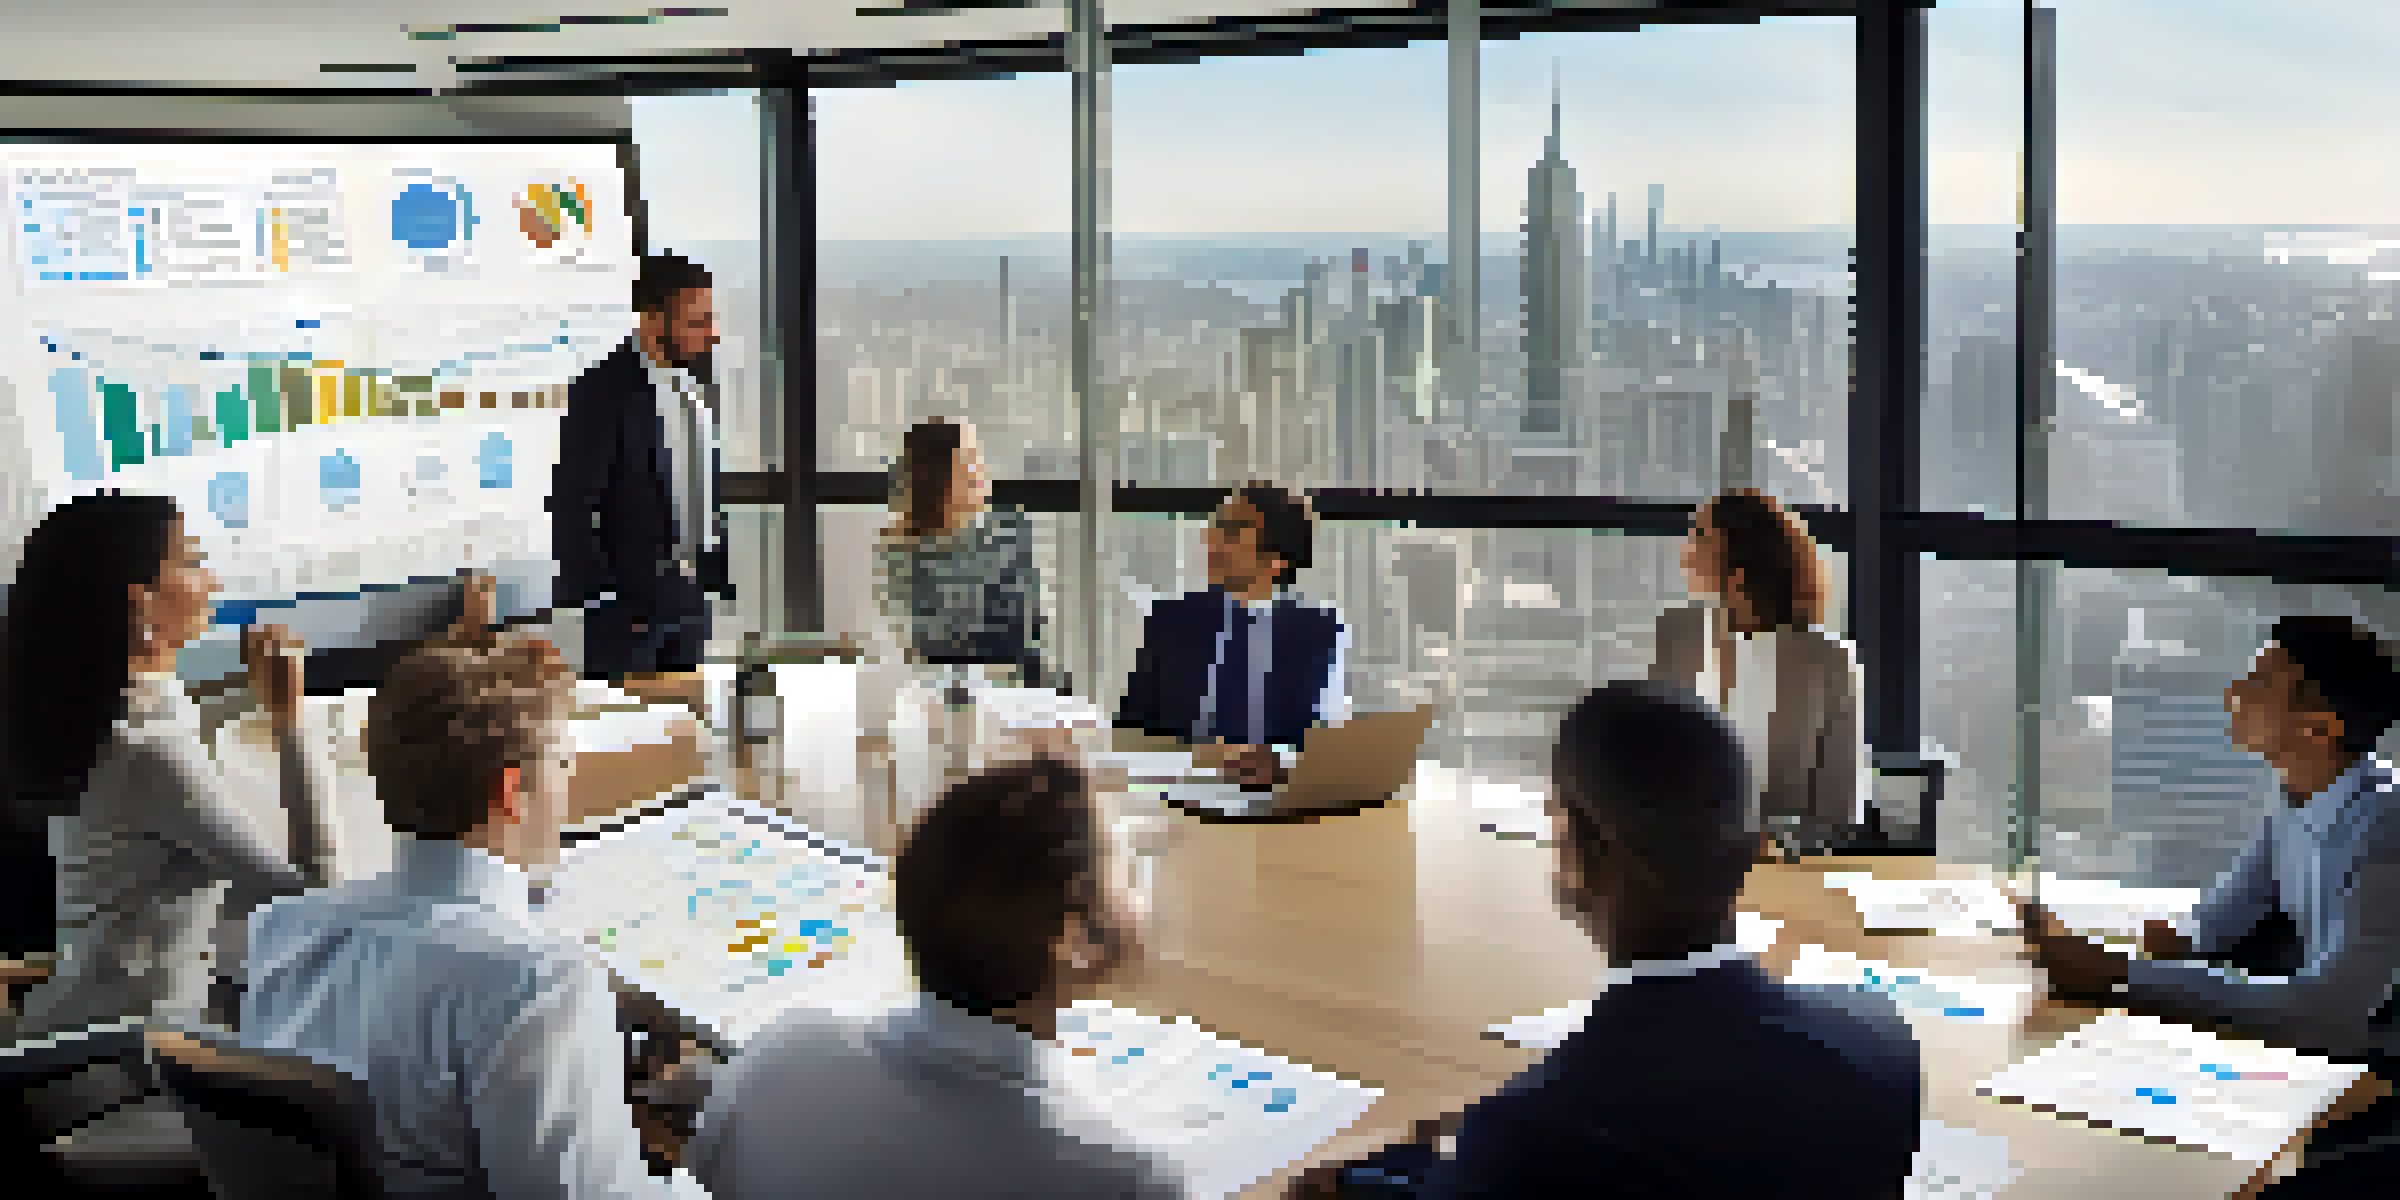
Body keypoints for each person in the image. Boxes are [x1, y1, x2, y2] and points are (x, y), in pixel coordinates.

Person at [1303, 681, 1921, 1199]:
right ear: (1754, 843)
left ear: (1575, 847)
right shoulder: (1882, 1038)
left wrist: (1368, 1177)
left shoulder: (1535, 1128)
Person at [241, 634, 673, 1197]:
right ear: (513, 790)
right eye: (565, 761)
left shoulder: (283, 933)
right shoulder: (540, 984)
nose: (569, 781)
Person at [686, 754, 1182, 1199]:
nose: (1140, 883)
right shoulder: (1120, 1177)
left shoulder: (778, 1053)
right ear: (1073, 939)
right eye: (1125, 865)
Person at [2021, 615, 2400, 1177]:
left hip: (2374, 1090)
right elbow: (2216, 924)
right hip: (2319, 1059)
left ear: (2320, 727)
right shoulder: (2299, 799)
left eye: (2259, 683)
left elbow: (2330, 1012)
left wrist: (2120, 975)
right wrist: (2166, 942)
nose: (2232, 694)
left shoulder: (2386, 825)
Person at [1, 492, 334, 1039]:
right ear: (140, 605)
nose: (212, 582)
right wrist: (291, 722)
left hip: (101, 1014)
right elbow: (318, 905)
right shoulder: (146, 753)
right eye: (192, 562)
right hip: (118, 1055)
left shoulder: (101, 710)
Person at [1650, 488, 1867, 854]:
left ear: (1738, 561)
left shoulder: (1829, 662)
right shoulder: (1678, 635)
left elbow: (1839, 811)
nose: (1684, 553)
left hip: (1782, 866)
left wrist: (1773, 842)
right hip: (1679, 860)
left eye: (1698, 538)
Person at [552, 252, 731, 681]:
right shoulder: (603, 390)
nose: (712, 335)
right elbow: (573, 504)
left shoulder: (695, 388)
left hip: (689, 596)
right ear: (652, 320)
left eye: (711, 319)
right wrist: (605, 600)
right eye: (696, 322)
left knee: (688, 730)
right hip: (629, 610)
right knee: (623, 732)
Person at [1117, 484, 1348, 788]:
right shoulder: (1171, 621)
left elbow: (1326, 737)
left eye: (1231, 531)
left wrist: (1279, 759)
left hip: (1276, 797)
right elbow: (1129, 733)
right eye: (1214, 528)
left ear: (1278, 555)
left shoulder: (1318, 631)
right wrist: (1197, 760)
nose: (1211, 540)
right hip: (1181, 792)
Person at [875, 418, 1046, 687]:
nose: (982, 470)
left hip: (1016, 688)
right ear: (937, 476)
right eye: (968, 459)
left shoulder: (1011, 530)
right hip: (942, 691)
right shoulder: (903, 548)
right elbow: (914, 649)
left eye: (977, 458)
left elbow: (1028, 636)